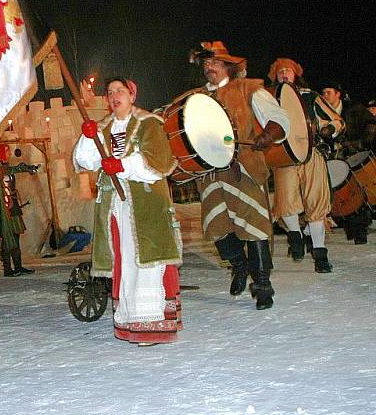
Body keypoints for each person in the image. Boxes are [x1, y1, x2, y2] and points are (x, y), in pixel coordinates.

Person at [74, 77, 182, 345]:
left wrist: (122, 166)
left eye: (119, 91)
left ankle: (151, 322)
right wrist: (89, 138)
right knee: (124, 260)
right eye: (109, 92)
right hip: (117, 205)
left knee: (144, 262)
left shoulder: (149, 123)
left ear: (132, 95)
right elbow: (85, 160)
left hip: (145, 203)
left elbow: (159, 162)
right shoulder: (104, 128)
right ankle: (130, 320)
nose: (114, 96)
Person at [187, 42, 290, 310]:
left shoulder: (249, 89)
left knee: (253, 226)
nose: (209, 67)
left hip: (243, 167)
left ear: (229, 67)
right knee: (217, 228)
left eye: (215, 62)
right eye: (206, 63)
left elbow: (279, 118)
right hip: (209, 175)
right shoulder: (196, 98)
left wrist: (268, 135)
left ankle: (262, 284)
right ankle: (239, 266)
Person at [267, 58, 340, 272]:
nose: (284, 74)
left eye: (287, 71)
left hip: (311, 153)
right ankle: (295, 235)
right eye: (280, 72)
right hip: (283, 157)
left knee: (316, 203)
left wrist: (329, 130)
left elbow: (335, 120)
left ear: (295, 74)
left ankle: (320, 254)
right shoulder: (268, 99)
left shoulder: (310, 96)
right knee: (286, 202)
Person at [0, 144, 38, 277]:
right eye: (7, 151)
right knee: (8, 237)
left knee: (15, 235)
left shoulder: (4, 167)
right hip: (4, 209)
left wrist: (25, 168)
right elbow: (6, 171)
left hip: (12, 206)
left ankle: (18, 267)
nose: (9, 153)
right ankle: (8, 269)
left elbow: (9, 171)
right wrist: (23, 167)